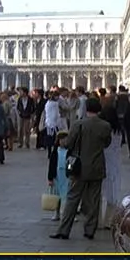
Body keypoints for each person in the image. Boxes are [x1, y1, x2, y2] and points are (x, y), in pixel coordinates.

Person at [51, 95, 113, 241]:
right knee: (93, 200)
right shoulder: (105, 126)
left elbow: (68, 144)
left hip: (78, 167)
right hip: (97, 167)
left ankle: (64, 230)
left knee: (72, 198)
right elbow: (107, 144)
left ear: (86, 109)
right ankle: (89, 230)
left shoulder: (78, 124)